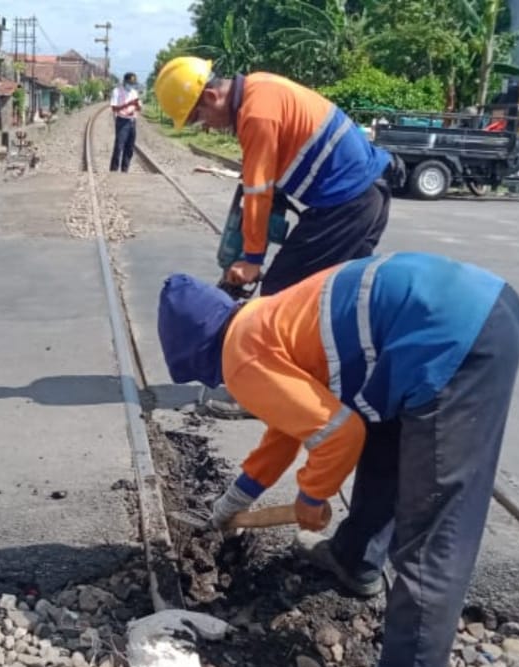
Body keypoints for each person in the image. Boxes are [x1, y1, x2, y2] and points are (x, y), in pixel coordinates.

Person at [156, 252, 519, 667]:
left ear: (196, 354)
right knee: (381, 441)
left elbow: (337, 434)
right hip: (468, 307)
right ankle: (354, 559)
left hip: (454, 338)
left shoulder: (239, 358)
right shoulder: (262, 319)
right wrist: (234, 500)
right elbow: (289, 425)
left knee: (431, 541)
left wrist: (312, 496)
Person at [153, 56, 397, 418]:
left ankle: (258, 394)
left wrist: (251, 260)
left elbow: (258, 191)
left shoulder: (256, 115)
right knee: (333, 299)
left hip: (346, 203)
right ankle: (334, 387)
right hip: (365, 196)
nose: (204, 127)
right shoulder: (260, 87)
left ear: (209, 96)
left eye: (199, 118)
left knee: (279, 294)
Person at [110, 72, 142, 172]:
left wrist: (137, 106)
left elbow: (138, 107)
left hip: (132, 121)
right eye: (129, 83)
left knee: (129, 148)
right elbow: (114, 107)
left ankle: (125, 170)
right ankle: (114, 170)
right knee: (119, 147)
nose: (131, 85)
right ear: (124, 82)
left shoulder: (134, 92)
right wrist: (128, 104)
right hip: (122, 121)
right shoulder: (117, 91)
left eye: (133, 83)